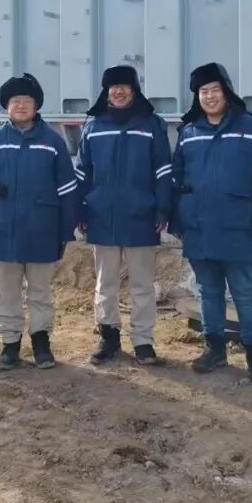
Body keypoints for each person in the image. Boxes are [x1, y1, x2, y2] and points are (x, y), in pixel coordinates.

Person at [171, 63, 252, 384]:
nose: (209, 97)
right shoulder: (189, 132)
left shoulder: (251, 127)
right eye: (203, 92)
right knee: (208, 291)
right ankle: (215, 349)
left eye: (214, 90)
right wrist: (178, 219)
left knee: (245, 292)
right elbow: (176, 179)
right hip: (199, 228)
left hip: (238, 226)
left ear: (227, 92)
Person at [0, 73, 78, 370]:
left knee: (40, 291)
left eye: (26, 101)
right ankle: (10, 343)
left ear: (36, 106)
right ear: (6, 106)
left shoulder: (52, 142)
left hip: (42, 230)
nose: (20, 106)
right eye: (15, 101)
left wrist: (65, 229)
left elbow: (68, 189)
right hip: (2, 231)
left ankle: (41, 342)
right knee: (7, 292)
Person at [75, 65, 172, 366]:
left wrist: (162, 207)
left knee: (142, 285)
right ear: (106, 91)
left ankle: (143, 341)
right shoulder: (94, 126)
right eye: (112, 87)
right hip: (101, 216)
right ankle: (109, 337)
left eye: (124, 86)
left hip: (141, 216)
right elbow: (82, 171)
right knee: (105, 283)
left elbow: (164, 170)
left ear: (134, 90)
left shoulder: (151, 125)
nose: (118, 91)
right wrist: (81, 208)